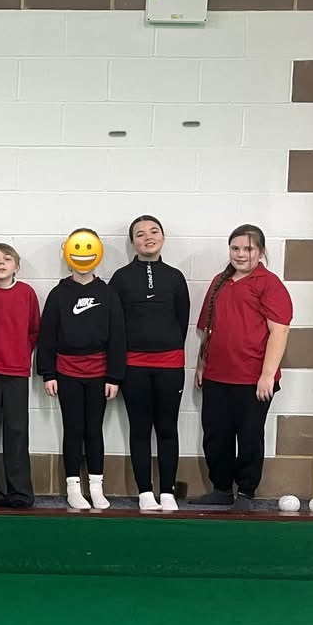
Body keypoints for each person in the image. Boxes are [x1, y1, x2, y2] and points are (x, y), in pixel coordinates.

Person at [189, 224, 292, 512]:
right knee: (216, 435)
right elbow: (207, 328)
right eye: (235, 248)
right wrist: (201, 364)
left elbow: (279, 331)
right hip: (217, 376)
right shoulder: (219, 282)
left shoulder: (269, 284)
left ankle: (246, 491)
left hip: (253, 379)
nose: (241, 254)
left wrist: (267, 375)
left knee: (249, 437)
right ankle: (221, 489)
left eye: (248, 249)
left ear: (260, 251)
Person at [37, 228, 125, 510]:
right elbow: (47, 335)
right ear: (67, 253)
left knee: (94, 430)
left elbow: (117, 336)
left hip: (99, 373)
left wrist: (114, 376)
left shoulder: (107, 293)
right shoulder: (58, 294)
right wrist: (48, 373)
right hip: (67, 373)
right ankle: (73, 487)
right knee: (73, 429)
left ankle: (96, 486)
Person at [109, 216, 189, 512]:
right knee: (140, 429)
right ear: (133, 242)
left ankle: (167, 491)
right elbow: (114, 325)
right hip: (134, 366)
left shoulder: (176, 277)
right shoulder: (120, 278)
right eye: (140, 234)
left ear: (163, 238)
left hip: (170, 364)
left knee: (168, 428)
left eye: (154, 232)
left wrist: (167, 345)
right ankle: (145, 491)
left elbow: (182, 320)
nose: (148, 238)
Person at [0, 243, 40, 509]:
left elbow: (34, 330)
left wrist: (22, 355)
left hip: (16, 372)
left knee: (17, 432)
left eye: (6, 259)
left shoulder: (27, 293)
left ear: (17, 266)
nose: (0, 263)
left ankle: (20, 492)